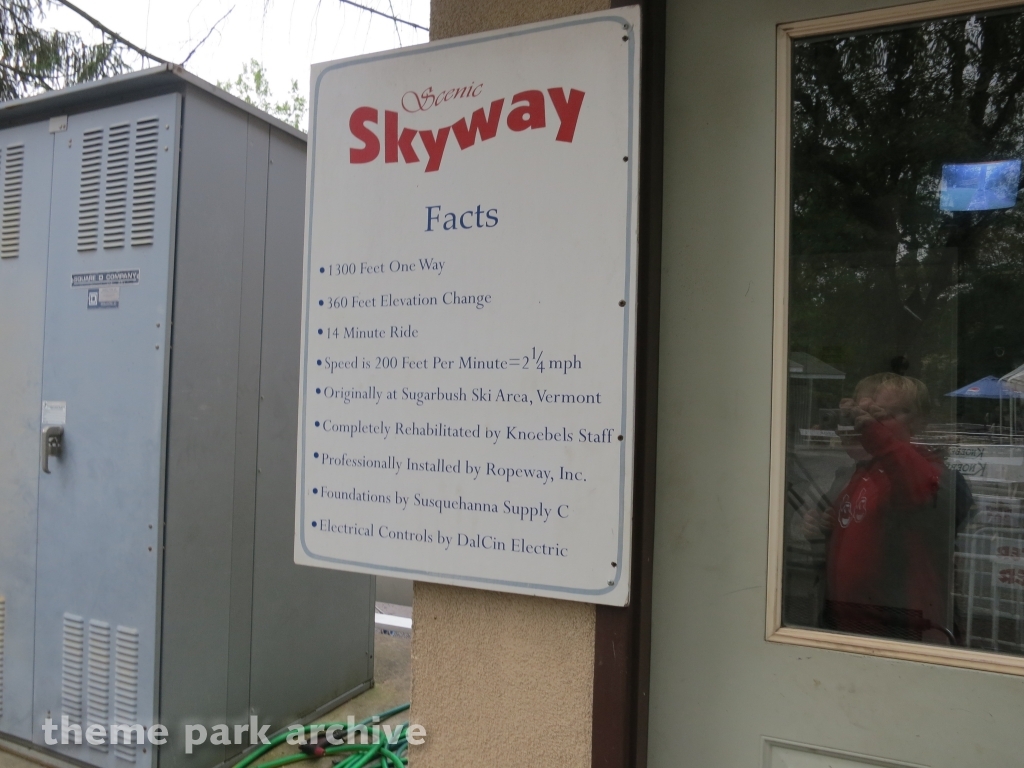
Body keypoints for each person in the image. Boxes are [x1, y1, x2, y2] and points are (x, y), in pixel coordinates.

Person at [800, 373, 960, 643]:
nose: (866, 427)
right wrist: (820, 528)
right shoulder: (858, 473)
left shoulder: (929, 471)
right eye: (859, 417)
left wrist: (874, 435)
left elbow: (918, 488)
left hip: (899, 627)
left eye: (882, 416)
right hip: (848, 619)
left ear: (918, 422)